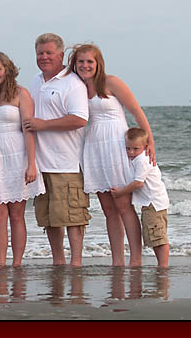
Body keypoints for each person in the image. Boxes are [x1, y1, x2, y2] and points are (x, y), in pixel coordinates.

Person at [69, 42, 155, 267]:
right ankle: (117, 261)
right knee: (108, 209)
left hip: (117, 144)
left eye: (90, 61)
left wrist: (150, 142)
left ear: (98, 63)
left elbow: (136, 110)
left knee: (123, 205)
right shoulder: (76, 87)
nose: (85, 65)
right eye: (81, 61)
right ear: (74, 64)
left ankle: (135, 259)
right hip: (95, 147)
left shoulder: (111, 82)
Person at [23, 33, 90, 267]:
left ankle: (77, 263)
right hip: (41, 164)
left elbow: (80, 119)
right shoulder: (34, 82)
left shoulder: (73, 83)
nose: (44, 57)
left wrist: (44, 125)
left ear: (61, 55)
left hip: (67, 163)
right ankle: (58, 261)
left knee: (72, 216)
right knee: (50, 218)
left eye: (49, 53)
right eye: (40, 53)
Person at [0, 50, 46, 267]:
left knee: (17, 215)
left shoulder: (21, 93)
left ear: (7, 68)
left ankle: (16, 264)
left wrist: (32, 164)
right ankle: (0, 264)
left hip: (17, 154)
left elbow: (29, 129)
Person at [111, 127, 170, 267]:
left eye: (135, 149)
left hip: (153, 203)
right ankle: (162, 265)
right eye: (128, 148)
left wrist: (121, 192)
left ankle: (163, 266)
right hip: (151, 203)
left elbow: (138, 183)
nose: (131, 152)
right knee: (154, 236)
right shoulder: (137, 159)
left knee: (158, 236)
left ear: (145, 147)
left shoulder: (142, 160)